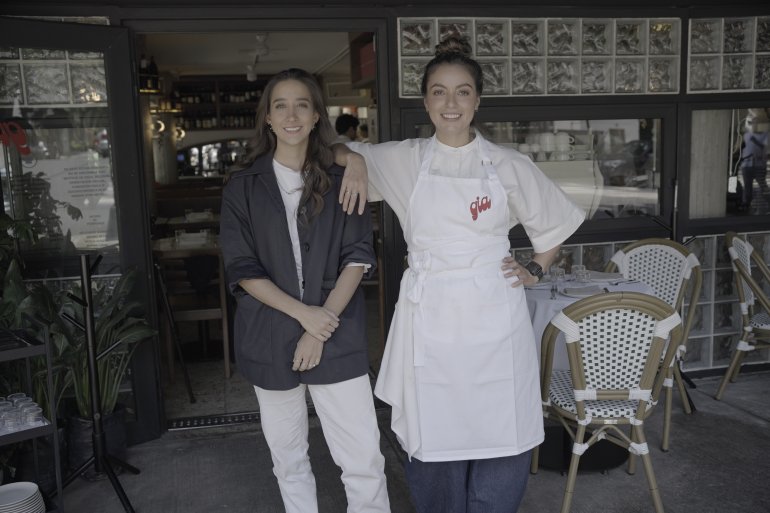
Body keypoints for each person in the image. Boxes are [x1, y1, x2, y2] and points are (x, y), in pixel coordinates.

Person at [333, 37, 585, 513]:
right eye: (439, 92)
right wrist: (358, 160)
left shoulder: (508, 164)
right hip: (430, 316)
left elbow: (554, 224)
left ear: (477, 100)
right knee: (435, 426)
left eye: (462, 91)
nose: (451, 103)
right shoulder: (404, 159)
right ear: (426, 101)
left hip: (495, 315)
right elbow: (330, 147)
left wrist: (535, 267)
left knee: (501, 422)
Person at [219, 68, 390, 513]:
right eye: (281, 106)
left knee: (363, 458)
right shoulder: (243, 185)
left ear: (316, 115)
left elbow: (357, 256)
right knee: (289, 459)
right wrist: (304, 317)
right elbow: (242, 267)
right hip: (268, 332)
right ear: (268, 118)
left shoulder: (343, 177)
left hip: (336, 329)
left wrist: (319, 327)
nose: (291, 115)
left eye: (302, 105)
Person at [739, 110, 769, 211]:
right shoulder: (747, 135)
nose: (755, 124)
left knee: (763, 186)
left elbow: (765, 148)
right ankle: (746, 205)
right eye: (753, 123)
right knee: (747, 187)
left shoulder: (765, 135)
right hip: (747, 165)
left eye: (757, 122)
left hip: (759, 165)